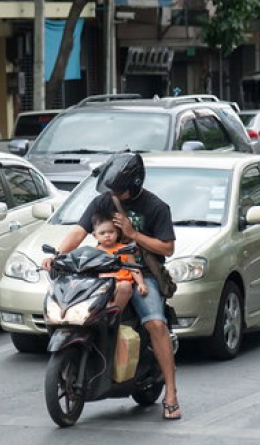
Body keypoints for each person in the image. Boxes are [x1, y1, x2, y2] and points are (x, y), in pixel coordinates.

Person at [43, 152, 182, 420]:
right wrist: (58, 256)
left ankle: (172, 394)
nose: (114, 193)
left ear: (135, 183)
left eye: (119, 189)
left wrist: (133, 235)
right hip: (103, 272)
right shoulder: (104, 200)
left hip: (140, 274)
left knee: (155, 324)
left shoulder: (156, 207)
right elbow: (79, 232)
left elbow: (168, 247)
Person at [91, 212, 148, 311]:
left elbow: (134, 268)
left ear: (117, 232)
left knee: (125, 286)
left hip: (120, 285)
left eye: (111, 232)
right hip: (101, 285)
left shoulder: (125, 250)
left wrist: (141, 283)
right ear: (95, 235)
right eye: (102, 233)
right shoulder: (93, 252)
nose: (107, 235)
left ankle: (114, 314)